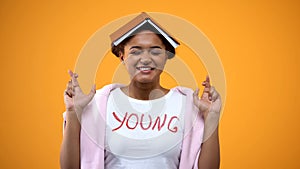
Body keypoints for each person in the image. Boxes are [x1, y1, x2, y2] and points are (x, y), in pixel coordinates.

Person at [60, 13, 222, 169]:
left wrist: (212, 117)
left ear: (166, 56)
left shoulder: (186, 105)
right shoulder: (100, 104)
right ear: (122, 56)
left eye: (155, 51)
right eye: (136, 51)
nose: (145, 58)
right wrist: (73, 112)